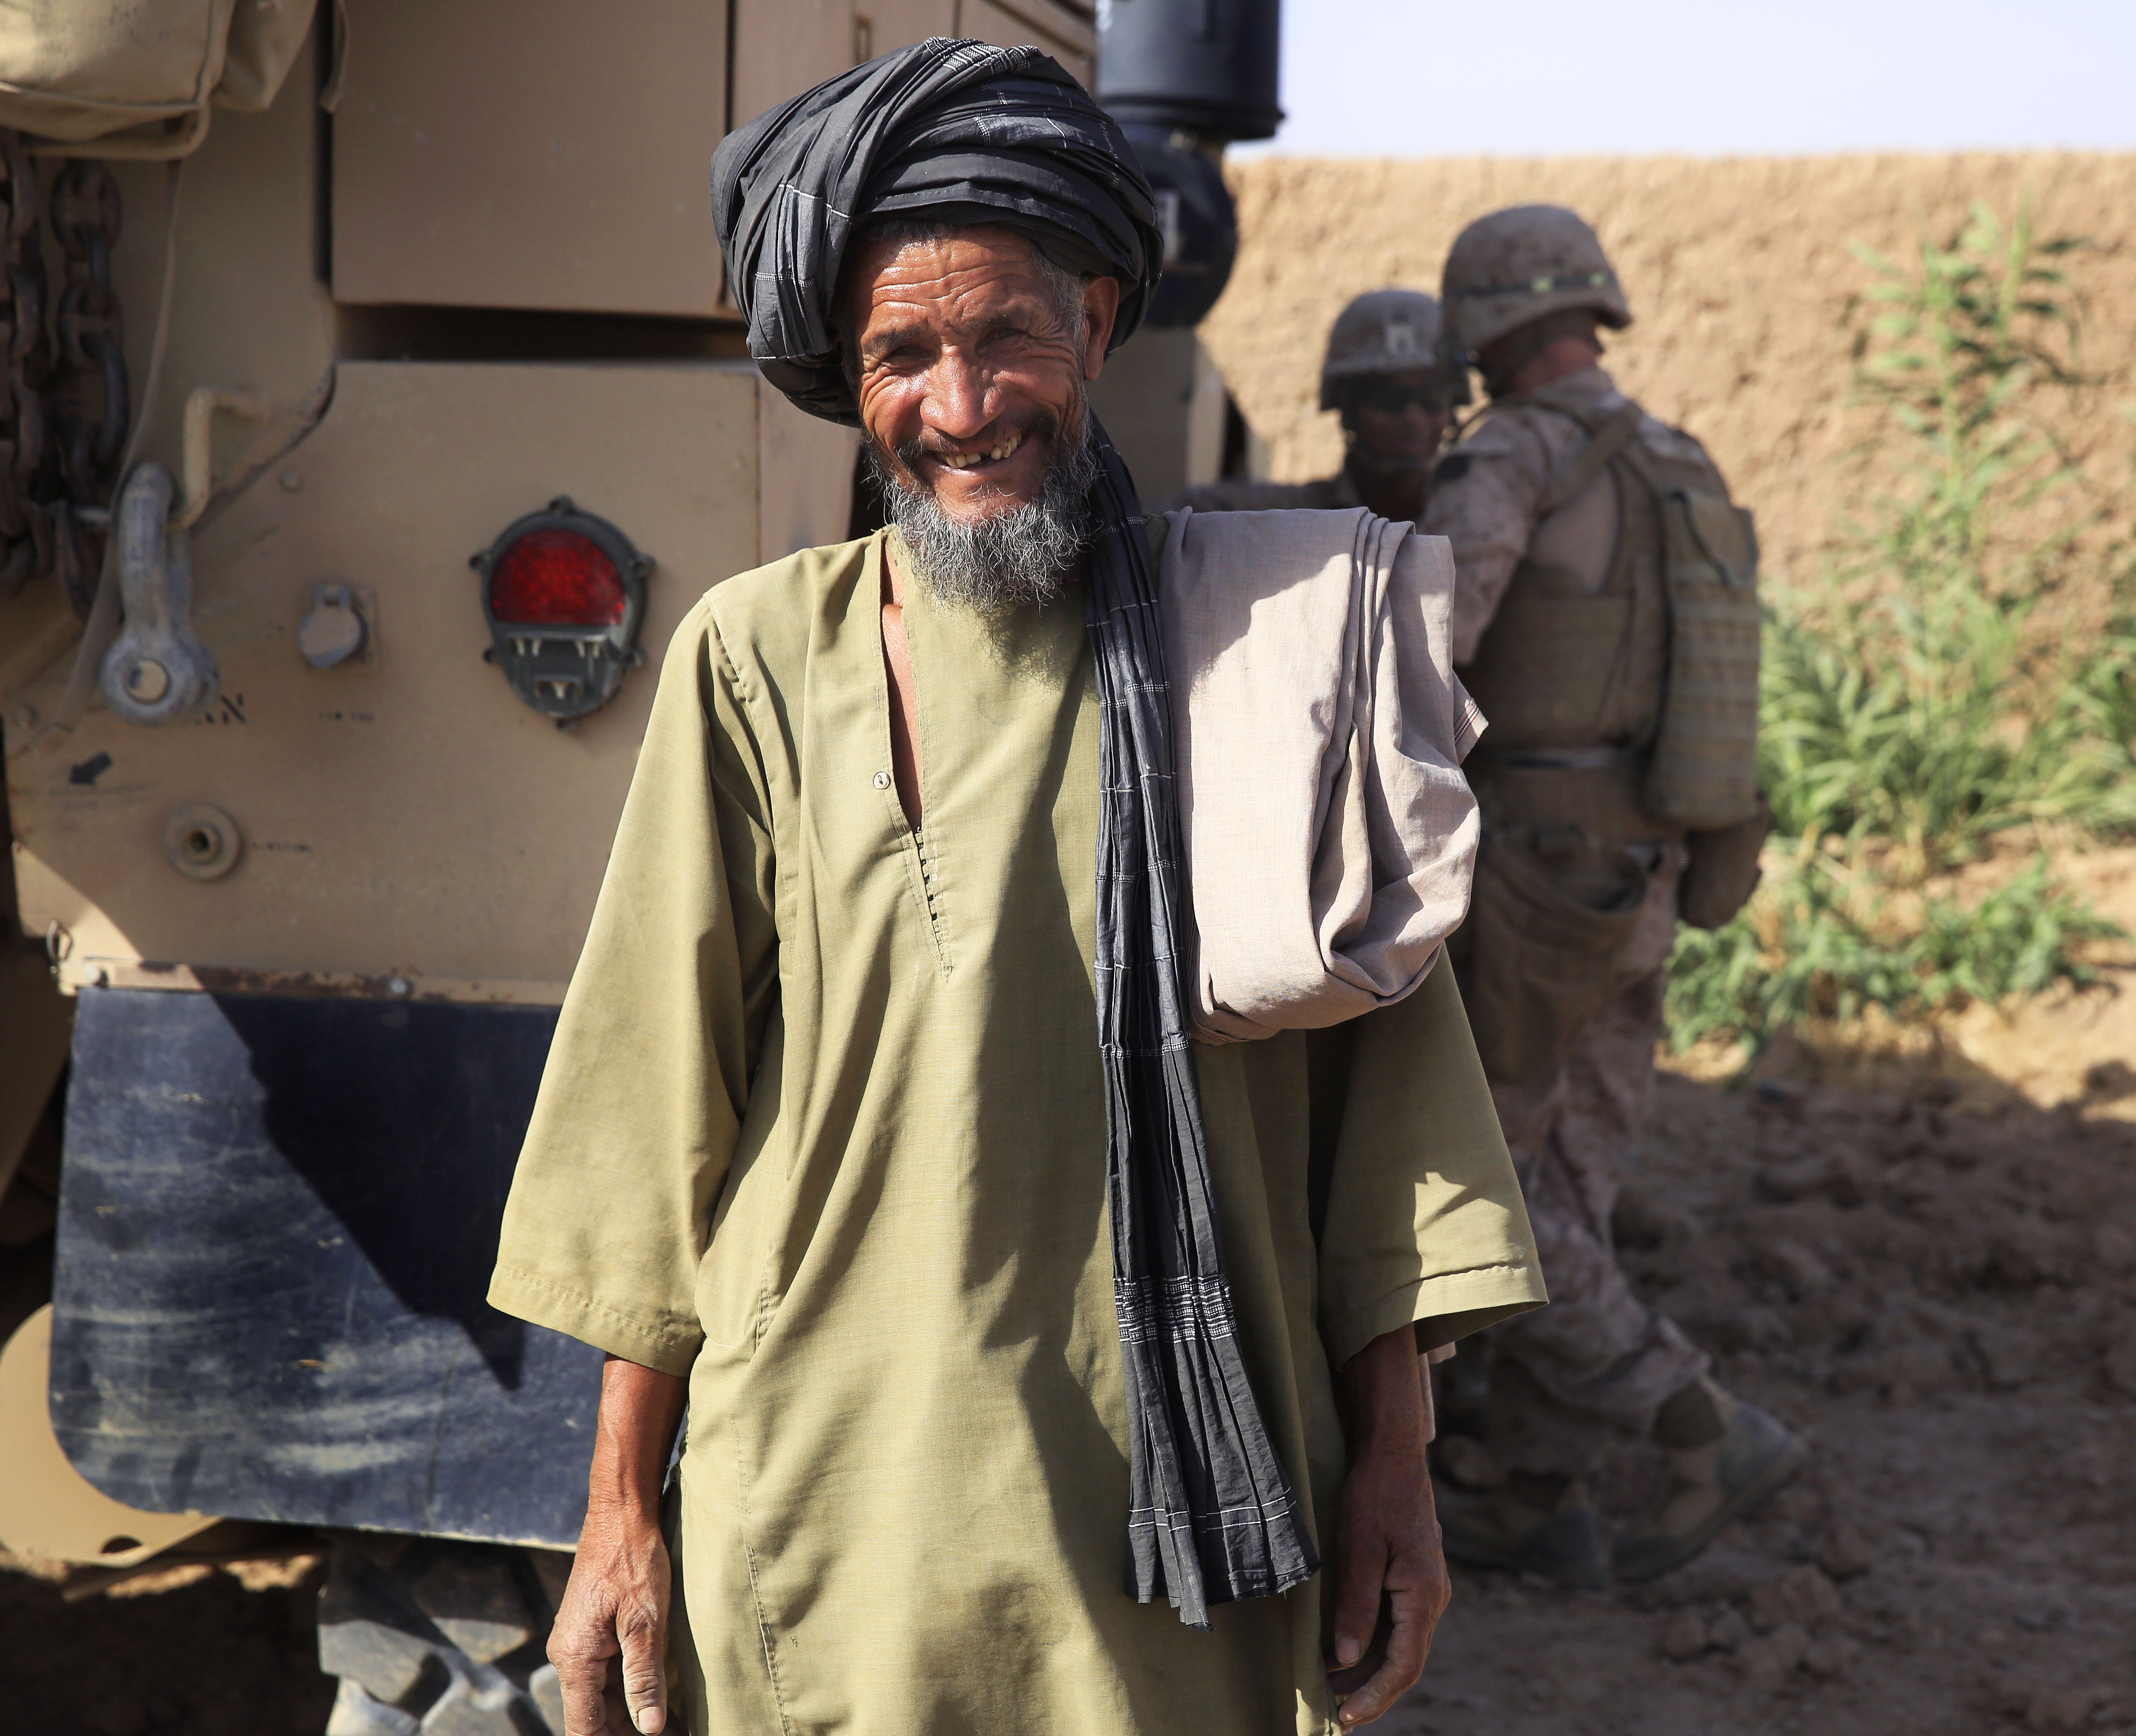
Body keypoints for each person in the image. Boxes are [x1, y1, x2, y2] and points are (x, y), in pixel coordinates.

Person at [488, 41, 1542, 1736]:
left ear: (1100, 329)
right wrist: (616, 1512)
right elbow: (648, 1118)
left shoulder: (1272, 651)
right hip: (834, 1517)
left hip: (1181, 1536)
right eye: (902, 353)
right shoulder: (755, 663)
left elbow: (1386, 1112)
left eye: (1006, 338)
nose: (961, 404)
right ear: (847, 378)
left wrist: (1399, 1473)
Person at [1417, 204, 1802, 1589]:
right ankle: (1536, 1489)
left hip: (1534, 878)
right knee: (1578, 1176)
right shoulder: (1674, 457)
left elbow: (1426, 647)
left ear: (1483, 327)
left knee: (1498, 1193)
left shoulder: (1517, 454)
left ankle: (1697, 1418)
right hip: (1648, 868)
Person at [1163, 290, 1465, 523]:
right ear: (1347, 408)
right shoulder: (1287, 519)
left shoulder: (1478, 520)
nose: (1413, 418)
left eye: (1432, 399)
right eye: (1388, 400)